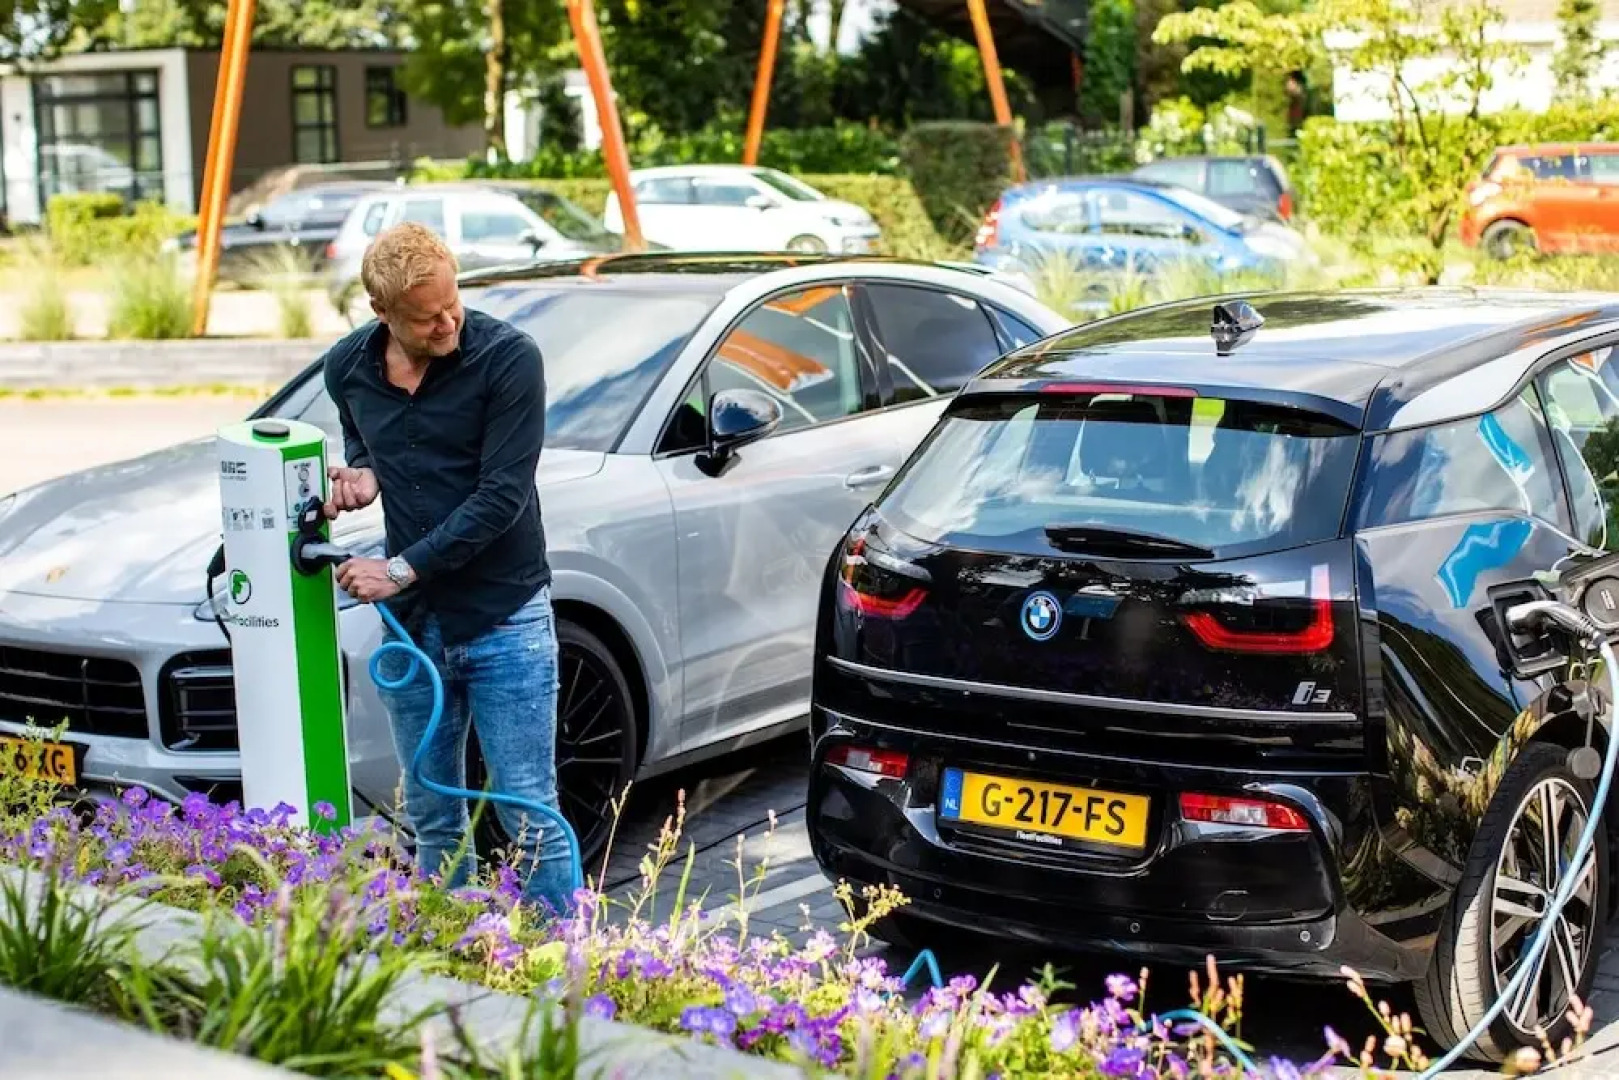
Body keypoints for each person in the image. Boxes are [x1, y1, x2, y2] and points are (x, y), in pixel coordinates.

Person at [319, 221, 572, 915]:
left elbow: (501, 497)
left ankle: (564, 974)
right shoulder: (346, 367)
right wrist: (364, 477)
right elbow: (363, 443)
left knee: (528, 812)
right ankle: (449, 952)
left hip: (503, 617)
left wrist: (398, 571)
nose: (447, 321)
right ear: (383, 315)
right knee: (430, 811)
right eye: (426, 317)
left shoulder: (508, 360)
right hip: (415, 630)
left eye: (452, 303)